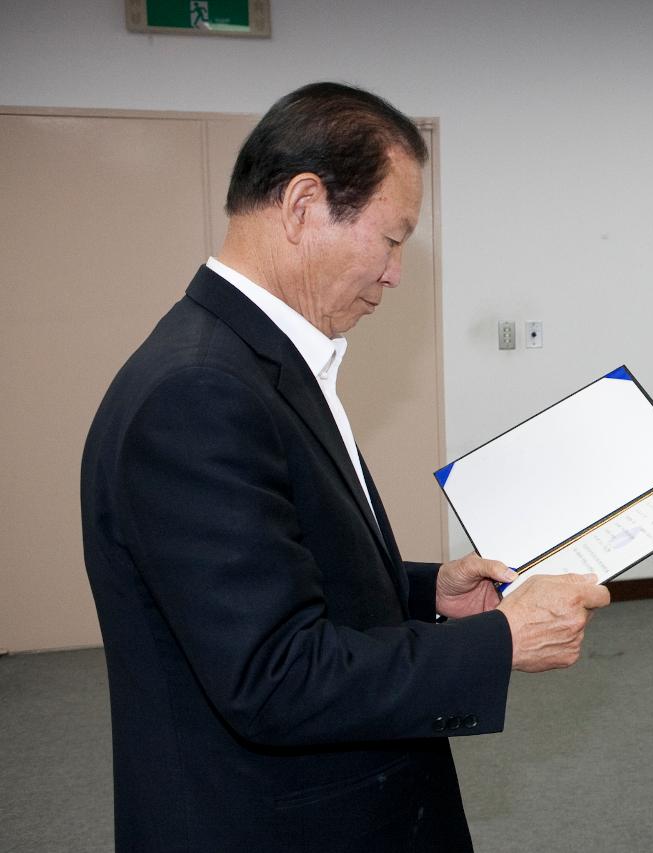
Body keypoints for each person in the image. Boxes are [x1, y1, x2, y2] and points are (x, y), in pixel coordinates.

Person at [80, 82, 611, 853]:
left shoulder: (255, 360)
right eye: (392, 239)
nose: (396, 272)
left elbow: (284, 562)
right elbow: (274, 673)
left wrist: (427, 590)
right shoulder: (199, 391)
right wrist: (503, 642)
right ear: (302, 205)